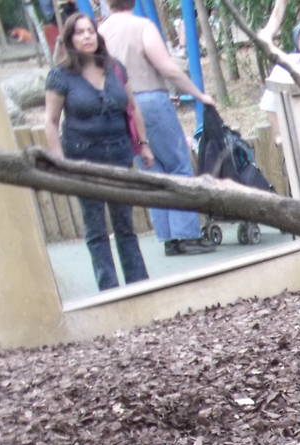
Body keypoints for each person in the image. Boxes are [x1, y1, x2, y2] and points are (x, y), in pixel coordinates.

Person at [98, 0, 218, 256]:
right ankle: (185, 234)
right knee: (178, 165)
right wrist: (198, 94)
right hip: (149, 100)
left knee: (152, 172)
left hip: (121, 107)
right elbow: (166, 67)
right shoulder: (143, 26)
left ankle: (168, 237)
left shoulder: (100, 32)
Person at [43, 13, 153, 291]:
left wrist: (144, 144)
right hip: (82, 159)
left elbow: (132, 107)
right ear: (70, 40)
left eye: (90, 31)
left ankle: (138, 285)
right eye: (79, 33)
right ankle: (109, 289)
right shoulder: (61, 76)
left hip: (118, 155)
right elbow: (51, 121)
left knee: (125, 224)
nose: (87, 36)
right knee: (96, 229)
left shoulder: (115, 68)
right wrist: (59, 161)